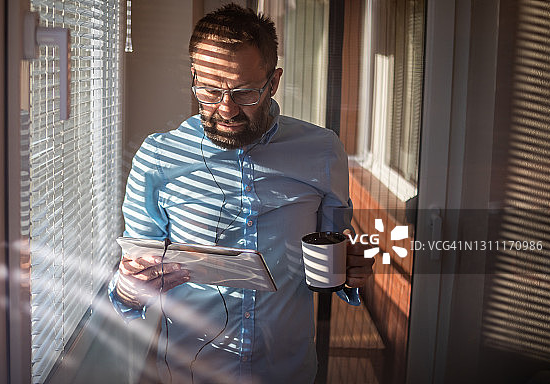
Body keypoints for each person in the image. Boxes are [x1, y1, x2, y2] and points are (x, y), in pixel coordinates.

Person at [108, 4, 375, 383]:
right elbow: (133, 276)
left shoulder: (323, 150)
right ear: (194, 77)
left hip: (288, 372)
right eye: (210, 90)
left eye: (245, 92)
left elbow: (333, 250)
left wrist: (349, 270)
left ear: (274, 82)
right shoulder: (158, 157)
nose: (226, 108)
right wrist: (127, 289)